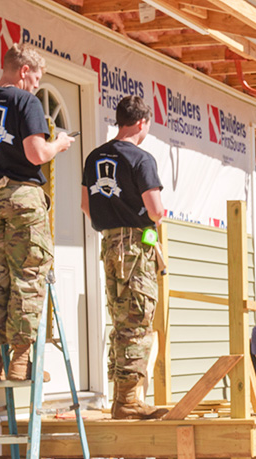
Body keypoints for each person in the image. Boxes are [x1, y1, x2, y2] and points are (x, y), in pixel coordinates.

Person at [0, 44, 75, 382]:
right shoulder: (25, 101)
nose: (36, 86)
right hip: (22, 197)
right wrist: (59, 145)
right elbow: (36, 154)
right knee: (27, 276)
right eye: (36, 79)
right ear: (23, 71)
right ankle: (20, 362)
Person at [80, 96, 166, 419]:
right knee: (138, 319)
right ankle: (128, 401)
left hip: (108, 243)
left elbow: (87, 207)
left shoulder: (94, 157)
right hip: (134, 246)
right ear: (142, 123)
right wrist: (157, 216)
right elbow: (156, 211)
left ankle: (121, 397)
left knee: (120, 319)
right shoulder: (141, 159)